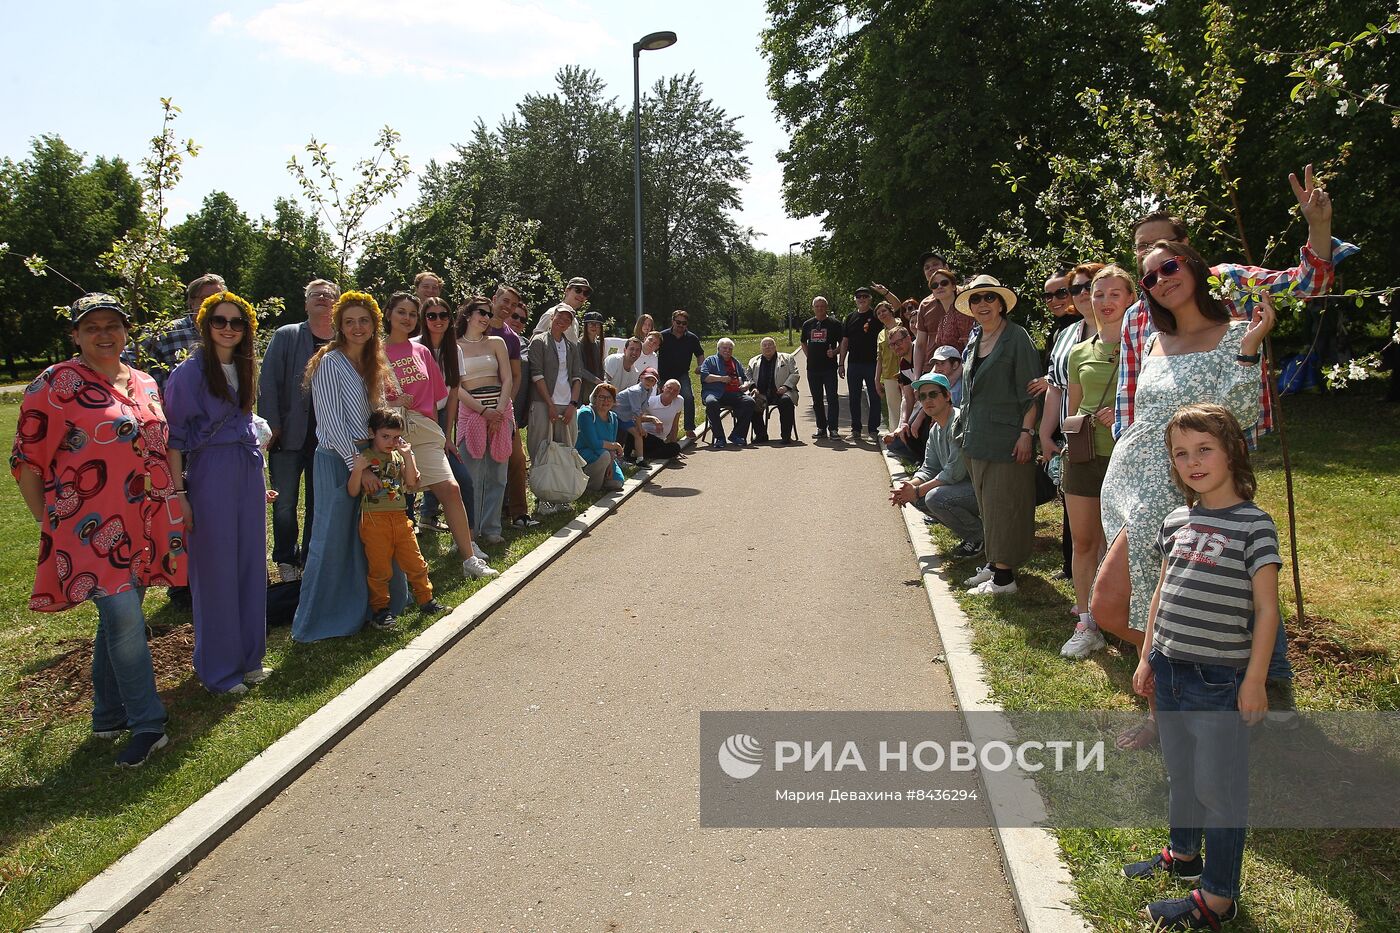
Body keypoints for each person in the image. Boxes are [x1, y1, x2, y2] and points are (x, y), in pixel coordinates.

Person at [1093, 241, 1284, 750]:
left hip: (1183, 492)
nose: (1161, 280)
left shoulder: (1238, 334)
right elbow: (1141, 414)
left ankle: (1196, 681)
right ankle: (1170, 709)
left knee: (1112, 607)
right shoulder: (1155, 340)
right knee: (1145, 609)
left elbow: (1237, 419)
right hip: (1130, 484)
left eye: (1170, 267)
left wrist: (1250, 348)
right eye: (1150, 277)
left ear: (1195, 267)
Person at [1123, 403, 1280, 931]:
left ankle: (1217, 898)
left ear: (1232, 450)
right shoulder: (1176, 520)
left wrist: (1255, 679)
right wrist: (1147, 656)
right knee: (1181, 773)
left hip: (1219, 680)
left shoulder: (1254, 525)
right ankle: (1184, 853)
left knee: (1219, 788)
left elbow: (1266, 609)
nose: (1191, 462)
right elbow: (1162, 592)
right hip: (1168, 669)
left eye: (1203, 449)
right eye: (1181, 454)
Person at [12, 293, 187, 767]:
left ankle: (107, 714)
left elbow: (157, 448)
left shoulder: (146, 380)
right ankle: (149, 724)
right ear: (75, 335)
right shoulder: (56, 383)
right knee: (127, 623)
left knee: (118, 618)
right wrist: (48, 522)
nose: (105, 334)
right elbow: (26, 459)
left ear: (126, 330)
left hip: (144, 524)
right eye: (93, 327)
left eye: (113, 324)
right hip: (88, 528)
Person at [1115, 167, 1356, 442]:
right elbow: (1128, 390)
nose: (1150, 252)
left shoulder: (1230, 283)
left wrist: (1318, 226)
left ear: (1185, 245)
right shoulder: (1136, 316)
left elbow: (1308, 285)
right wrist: (1127, 446)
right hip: (1153, 454)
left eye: (1161, 243)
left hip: (1224, 446)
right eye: (1141, 246)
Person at [164, 290, 269, 696]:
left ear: (247, 330)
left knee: (249, 562)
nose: (228, 329)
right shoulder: (188, 374)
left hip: (247, 469)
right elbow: (173, 440)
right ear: (205, 326)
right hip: (210, 472)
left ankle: (249, 657)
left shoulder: (245, 368)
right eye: (219, 321)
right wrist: (179, 493)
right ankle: (219, 669)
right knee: (215, 570)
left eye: (237, 322)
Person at [293, 291, 410, 642]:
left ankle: (375, 605)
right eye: (349, 321)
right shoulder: (329, 362)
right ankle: (319, 620)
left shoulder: (374, 361)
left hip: (369, 457)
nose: (357, 327)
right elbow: (331, 425)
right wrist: (360, 468)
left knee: (373, 535)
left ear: (374, 323)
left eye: (363, 320)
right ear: (339, 326)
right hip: (339, 460)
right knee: (333, 539)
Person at [383, 293, 494, 576]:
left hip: (424, 428)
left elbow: (437, 397)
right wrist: (394, 404)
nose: (407, 318)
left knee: (452, 488)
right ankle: (400, 568)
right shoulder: (376, 352)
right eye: (401, 313)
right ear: (388, 314)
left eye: (411, 313)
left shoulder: (422, 353)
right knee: (398, 498)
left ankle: (470, 560)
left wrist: (439, 432)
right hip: (389, 432)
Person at [1058, 266, 1132, 660]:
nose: (1104, 301)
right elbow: (1072, 407)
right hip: (1085, 456)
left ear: (1131, 298)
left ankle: (1128, 618)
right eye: (1097, 293)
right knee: (1084, 541)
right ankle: (1087, 622)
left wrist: (1122, 414)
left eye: (1113, 294)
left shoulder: (1147, 345)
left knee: (1127, 543)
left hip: (1128, 457)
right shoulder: (1079, 352)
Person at [953, 275, 1042, 596]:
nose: (982, 304)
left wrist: (1026, 432)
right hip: (975, 437)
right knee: (986, 503)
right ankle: (994, 563)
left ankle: (1005, 578)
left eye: (989, 298)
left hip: (1008, 438)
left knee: (1005, 503)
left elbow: (1031, 391)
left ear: (1001, 303)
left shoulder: (1017, 338)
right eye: (976, 299)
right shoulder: (976, 337)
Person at [258, 278, 337, 581]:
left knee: (319, 502)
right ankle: (286, 558)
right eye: (315, 295)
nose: (322, 298)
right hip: (288, 435)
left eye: (328, 295)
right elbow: (268, 383)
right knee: (285, 502)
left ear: (336, 303)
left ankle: (309, 557)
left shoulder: (344, 339)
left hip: (327, 438)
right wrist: (271, 425)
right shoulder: (287, 335)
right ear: (305, 303)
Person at [348, 409, 449, 631]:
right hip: (374, 521)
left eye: (395, 437)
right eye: (385, 437)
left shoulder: (398, 455)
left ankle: (426, 599)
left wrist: (407, 456)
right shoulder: (365, 458)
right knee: (380, 569)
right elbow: (353, 492)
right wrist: (357, 471)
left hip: (400, 518)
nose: (391, 442)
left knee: (415, 562)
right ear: (371, 433)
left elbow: (412, 484)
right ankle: (380, 610)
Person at [1040, 262, 1101, 584]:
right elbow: (1055, 386)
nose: (1082, 294)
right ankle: (1075, 569)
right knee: (1073, 502)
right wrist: (1044, 432)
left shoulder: (1124, 330)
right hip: (1072, 434)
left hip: (1109, 436)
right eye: (1075, 289)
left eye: (1085, 287)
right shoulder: (1065, 335)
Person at [889, 373, 982, 557]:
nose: (927, 400)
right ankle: (971, 532)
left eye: (933, 394)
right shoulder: (935, 429)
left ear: (947, 396)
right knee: (921, 497)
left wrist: (916, 491)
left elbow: (953, 473)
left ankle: (979, 536)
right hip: (959, 488)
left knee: (933, 497)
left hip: (980, 489)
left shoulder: (959, 422)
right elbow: (929, 468)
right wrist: (907, 488)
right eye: (922, 396)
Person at [411, 296, 478, 535]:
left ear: (450, 319)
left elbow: (453, 394)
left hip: (440, 417)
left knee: (461, 477)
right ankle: (411, 527)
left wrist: (447, 435)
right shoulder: (413, 347)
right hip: (414, 419)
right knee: (410, 477)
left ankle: (469, 538)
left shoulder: (454, 350)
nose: (438, 320)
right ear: (424, 319)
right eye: (431, 316)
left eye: (443, 315)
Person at [457, 295, 518, 547]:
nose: (485, 317)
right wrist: (482, 411)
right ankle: (469, 530)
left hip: (501, 413)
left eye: (487, 313)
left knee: (497, 474)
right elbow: (455, 386)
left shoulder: (496, 342)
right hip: (471, 413)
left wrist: (499, 411)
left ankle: (492, 528)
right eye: (480, 313)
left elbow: (507, 379)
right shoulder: (454, 345)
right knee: (471, 475)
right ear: (468, 315)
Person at [485, 285, 535, 530]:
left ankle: (518, 513)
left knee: (516, 458)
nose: (508, 308)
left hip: (504, 408)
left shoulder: (512, 338)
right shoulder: (474, 327)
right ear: (494, 299)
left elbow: (516, 376)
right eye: (505, 302)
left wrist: (504, 406)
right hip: (472, 407)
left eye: (514, 305)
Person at [527, 302, 584, 513]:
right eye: (559, 317)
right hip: (543, 403)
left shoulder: (572, 346)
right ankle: (542, 497)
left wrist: (572, 405)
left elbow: (577, 377)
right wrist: (550, 405)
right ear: (552, 318)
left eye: (567, 319)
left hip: (567, 404)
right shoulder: (539, 342)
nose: (563, 321)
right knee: (541, 448)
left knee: (566, 448)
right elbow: (537, 374)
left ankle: (562, 493)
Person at [139, 273, 226, 391]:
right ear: (191, 302)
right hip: (171, 407)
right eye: (205, 299)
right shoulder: (165, 332)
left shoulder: (230, 334)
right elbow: (127, 362)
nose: (212, 304)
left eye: (218, 298)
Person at [838, 286, 884, 441]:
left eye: (865, 296)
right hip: (854, 364)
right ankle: (856, 430)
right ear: (855, 299)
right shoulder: (850, 317)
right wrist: (841, 363)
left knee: (875, 396)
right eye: (859, 297)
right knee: (854, 398)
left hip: (873, 364)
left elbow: (895, 307)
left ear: (870, 298)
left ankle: (873, 430)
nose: (862, 299)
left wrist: (884, 292)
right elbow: (845, 341)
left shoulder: (876, 315)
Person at [800, 296, 843, 439]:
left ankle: (834, 429)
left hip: (829, 368)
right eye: (817, 306)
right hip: (812, 369)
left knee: (832, 398)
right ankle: (821, 428)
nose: (819, 308)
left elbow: (843, 343)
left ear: (826, 307)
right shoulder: (807, 324)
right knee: (817, 400)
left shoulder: (835, 324)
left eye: (822, 306)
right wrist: (808, 355)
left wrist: (835, 352)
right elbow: (803, 343)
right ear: (813, 308)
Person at [699, 338, 755, 448]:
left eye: (730, 349)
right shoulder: (710, 360)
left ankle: (737, 435)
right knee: (711, 403)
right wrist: (721, 378)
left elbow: (745, 378)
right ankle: (719, 438)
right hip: (713, 392)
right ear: (718, 348)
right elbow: (705, 377)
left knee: (749, 402)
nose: (727, 351)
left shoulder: (735, 362)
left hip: (734, 393)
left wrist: (745, 385)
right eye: (725, 348)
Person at [657, 309, 704, 437]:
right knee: (660, 400)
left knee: (688, 397)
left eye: (684, 323)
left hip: (681, 374)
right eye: (678, 322)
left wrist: (700, 366)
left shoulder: (692, 338)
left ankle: (689, 428)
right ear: (673, 321)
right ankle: (661, 429)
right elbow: (652, 351)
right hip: (663, 374)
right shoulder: (662, 336)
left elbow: (700, 354)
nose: (681, 326)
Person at [746, 337, 800, 444]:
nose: (767, 347)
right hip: (761, 394)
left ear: (775, 347)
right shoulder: (754, 361)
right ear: (761, 348)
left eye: (770, 345)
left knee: (786, 401)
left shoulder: (787, 358)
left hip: (782, 392)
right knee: (750, 402)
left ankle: (786, 436)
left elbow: (795, 374)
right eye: (764, 345)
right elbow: (747, 376)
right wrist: (753, 388)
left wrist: (785, 387)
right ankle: (761, 435)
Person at [575, 383, 625, 493]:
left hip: (604, 455)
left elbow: (610, 446)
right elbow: (593, 443)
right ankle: (590, 487)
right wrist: (616, 445)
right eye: (601, 397)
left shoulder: (613, 417)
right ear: (594, 398)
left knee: (617, 483)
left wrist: (611, 465)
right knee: (604, 455)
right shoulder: (586, 414)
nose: (605, 401)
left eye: (609, 398)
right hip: (584, 454)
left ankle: (600, 479)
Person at [614, 367, 660, 459]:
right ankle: (617, 460)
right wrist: (640, 427)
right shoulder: (636, 391)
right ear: (641, 378)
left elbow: (642, 409)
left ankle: (639, 460)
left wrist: (639, 426)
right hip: (615, 415)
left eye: (652, 380)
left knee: (637, 434)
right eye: (647, 379)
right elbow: (636, 411)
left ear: (655, 383)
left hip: (626, 417)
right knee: (617, 438)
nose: (649, 382)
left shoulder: (648, 390)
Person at [873, 301, 903, 432]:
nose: (881, 314)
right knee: (893, 409)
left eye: (884, 311)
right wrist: (876, 380)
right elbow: (879, 358)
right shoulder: (880, 334)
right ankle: (895, 439)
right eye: (879, 313)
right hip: (889, 375)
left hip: (905, 372)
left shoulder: (902, 325)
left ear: (891, 310)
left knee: (910, 407)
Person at [533, 276, 588, 342]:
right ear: (567, 290)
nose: (582, 295)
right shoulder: (552, 313)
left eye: (586, 293)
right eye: (578, 290)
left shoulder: (575, 321)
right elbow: (535, 342)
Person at [641, 379, 685, 460]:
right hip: (645, 436)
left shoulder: (679, 401)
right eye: (669, 388)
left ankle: (648, 454)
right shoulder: (650, 401)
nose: (671, 391)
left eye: (675, 390)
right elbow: (635, 418)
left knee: (675, 448)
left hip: (660, 440)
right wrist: (652, 419)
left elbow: (675, 425)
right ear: (663, 388)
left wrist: (673, 443)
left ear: (678, 393)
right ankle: (644, 453)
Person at [578, 311, 608, 399]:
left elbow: (601, 367)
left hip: (597, 390)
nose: (594, 326)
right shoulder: (579, 344)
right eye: (591, 323)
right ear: (586, 326)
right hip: (583, 389)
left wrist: (604, 381)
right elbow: (580, 369)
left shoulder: (599, 345)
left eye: (597, 324)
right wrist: (597, 381)